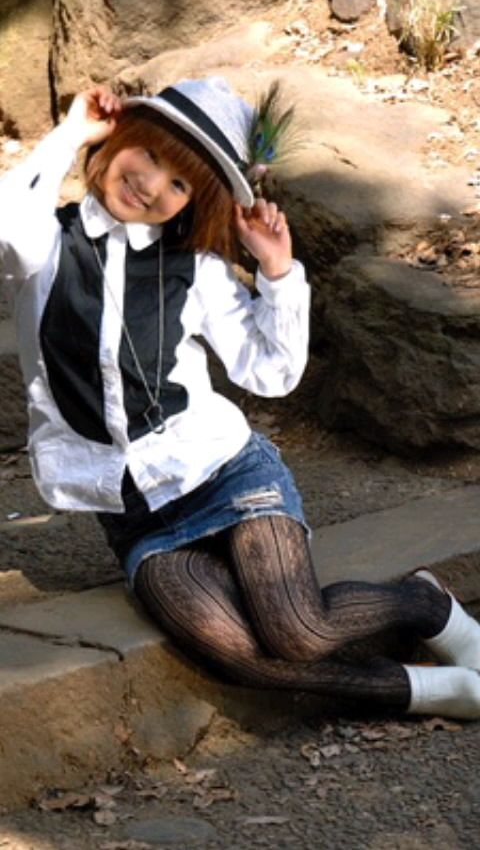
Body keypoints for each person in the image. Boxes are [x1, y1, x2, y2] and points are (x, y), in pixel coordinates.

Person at [1, 77, 480, 721]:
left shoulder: (194, 267)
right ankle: (438, 693)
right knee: (232, 650)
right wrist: (70, 133)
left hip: (229, 478)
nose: (152, 185)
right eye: (150, 155)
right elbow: (6, 226)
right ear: (117, 139)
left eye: (180, 184)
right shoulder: (46, 245)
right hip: (141, 522)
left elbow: (272, 373)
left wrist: (277, 272)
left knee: (298, 632)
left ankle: (426, 606)